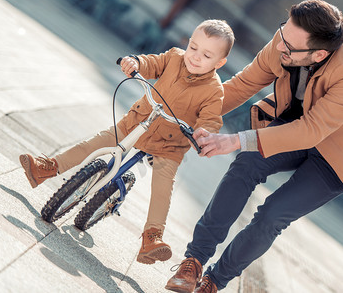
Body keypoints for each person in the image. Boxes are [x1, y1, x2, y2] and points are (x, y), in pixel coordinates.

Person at [166, 0, 343, 293]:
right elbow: (242, 85)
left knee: (274, 214)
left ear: (319, 53)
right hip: (298, 124)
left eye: (289, 45)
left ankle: (214, 281)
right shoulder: (288, 39)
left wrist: (235, 140)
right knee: (245, 164)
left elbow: (313, 130)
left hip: (341, 153)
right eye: (282, 33)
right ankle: (194, 261)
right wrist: (185, 108)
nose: (279, 45)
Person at [19, 19, 235, 265]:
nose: (195, 57)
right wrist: (136, 62)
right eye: (193, 47)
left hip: (170, 144)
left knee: (163, 187)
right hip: (138, 121)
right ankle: (46, 168)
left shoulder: (214, 90)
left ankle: (151, 237)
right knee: (96, 143)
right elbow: (152, 63)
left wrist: (205, 133)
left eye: (206, 55)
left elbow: (211, 118)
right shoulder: (175, 57)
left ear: (219, 63)